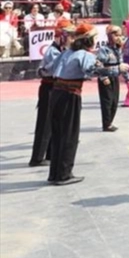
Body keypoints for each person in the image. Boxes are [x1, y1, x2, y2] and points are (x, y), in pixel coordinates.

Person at [47, 23, 98, 185]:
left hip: (56, 93)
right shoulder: (85, 55)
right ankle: (64, 174)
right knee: (69, 134)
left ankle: (54, 173)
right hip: (70, 95)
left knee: (58, 134)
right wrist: (116, 68)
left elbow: (48, 69)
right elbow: (92, 71)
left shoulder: (66, 53)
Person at [29, 19, 72, 167]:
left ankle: (50, 153)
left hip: (56, 88)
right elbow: (54, 70)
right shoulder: (53, 51)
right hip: (49, 88)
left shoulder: (61, 51)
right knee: (45, 123)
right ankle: (37, 157)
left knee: (54, 121)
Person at [95, 25, 129, 132]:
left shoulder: (118, 49)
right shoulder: (104, 49)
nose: (118, 37)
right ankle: (106, 124)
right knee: (107, 101)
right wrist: (103, 77)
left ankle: (110, 121)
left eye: (119, 35)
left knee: (115, 101)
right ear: (110, 36)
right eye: (116, 35)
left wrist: (127, 77)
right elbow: (98, 64)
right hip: (106, 75)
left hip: (115, 76)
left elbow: (121, 63)